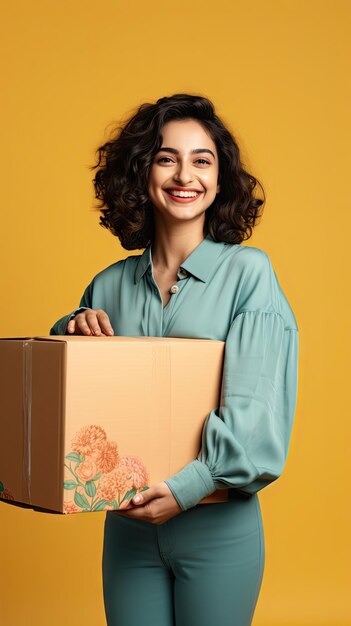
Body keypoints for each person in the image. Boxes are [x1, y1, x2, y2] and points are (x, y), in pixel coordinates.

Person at [50, 93, 299, 626]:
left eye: (201, 160)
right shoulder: (108, 284)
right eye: (167, 157)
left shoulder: (249, 275)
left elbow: (257, 425)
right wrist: (71, 327)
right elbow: (64, 391)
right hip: (128, 530)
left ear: (219, 179)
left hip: (217, 531)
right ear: (142, 172)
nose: (184, 174)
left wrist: (185, 491)